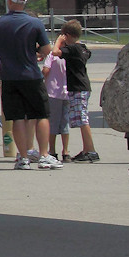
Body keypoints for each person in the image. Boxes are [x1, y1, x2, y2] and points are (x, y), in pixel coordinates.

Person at [0, 0, 61, 170]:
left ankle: (23, 157)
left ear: (10, 2)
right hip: (31, 75)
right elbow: (46, 50)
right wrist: (33, 51)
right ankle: (43, 155)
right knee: (41, 114)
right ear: (24, 2)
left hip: (9, 77)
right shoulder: (35, 23)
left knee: (17, 117)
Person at [54, 19, 99, 162]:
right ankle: (86, 149)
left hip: (78, 88)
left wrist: (59, 41)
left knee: (82, 119)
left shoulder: (72, 48)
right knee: (81, 118)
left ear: (67, 35)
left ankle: (91, 151)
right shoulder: (83, 48)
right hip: (83, 86)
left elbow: (56, 52)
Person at [42, 41, 69, 161]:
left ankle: (52, 150)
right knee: (65, 123)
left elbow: (46, 71)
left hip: (53, 92)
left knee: (52, 122)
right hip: (67, 92)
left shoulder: (52, 56)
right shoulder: (69, 55)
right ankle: (66, 151)